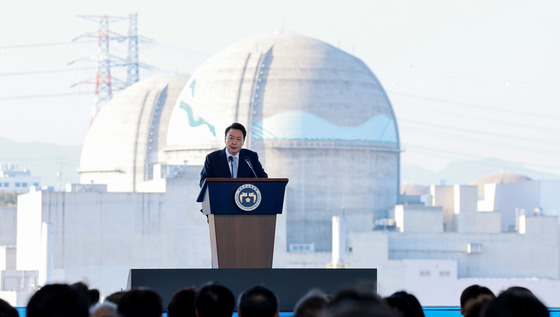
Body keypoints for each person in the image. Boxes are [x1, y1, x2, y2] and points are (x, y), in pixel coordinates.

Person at [200, 122, 268, 187]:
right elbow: (203, 182)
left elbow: (263, 178)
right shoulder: (212, 158)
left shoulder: (251, 157)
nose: (234, 142)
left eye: (238, 139)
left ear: (243, 141)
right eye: (231, 138)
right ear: (225, 139)